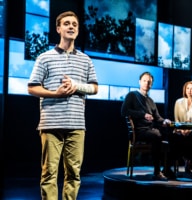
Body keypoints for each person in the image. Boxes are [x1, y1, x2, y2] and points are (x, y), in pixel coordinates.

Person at [27, 11, 98, 199]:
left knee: (74, 174)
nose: (71, 26)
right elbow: (32, 88)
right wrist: (54, 93)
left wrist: (76, 86)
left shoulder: (85, 59)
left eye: (74, 24)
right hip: (51, 124)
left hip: (76, 125)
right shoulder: (44, 57)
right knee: (49, 173)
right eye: (67, 23)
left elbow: (94, 88)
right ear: (59, 29)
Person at [121, 71, 175, 181]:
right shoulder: (132, 95)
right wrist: (143, 115)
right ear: (139, 82)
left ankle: (167, 168)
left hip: (150, 130)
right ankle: (156, 171)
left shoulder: (150, 100)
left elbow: (157, 117)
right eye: (144, 81)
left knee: (172, 135)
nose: (146, 83)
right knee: (157, 135)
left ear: (151, 84)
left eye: (149, 82)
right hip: (139, 131)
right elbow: (124, 111)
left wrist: (165, 121)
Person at [173, 81, 192, 173]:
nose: (189, 91)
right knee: (179, 137)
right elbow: (176, 119)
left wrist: (190, 129)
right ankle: (188, 160)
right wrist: (182, 130)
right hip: (180, 130)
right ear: (185, 90)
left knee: (191, 137)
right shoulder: (178, 102)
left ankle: (188, 160)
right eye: (188, 88)